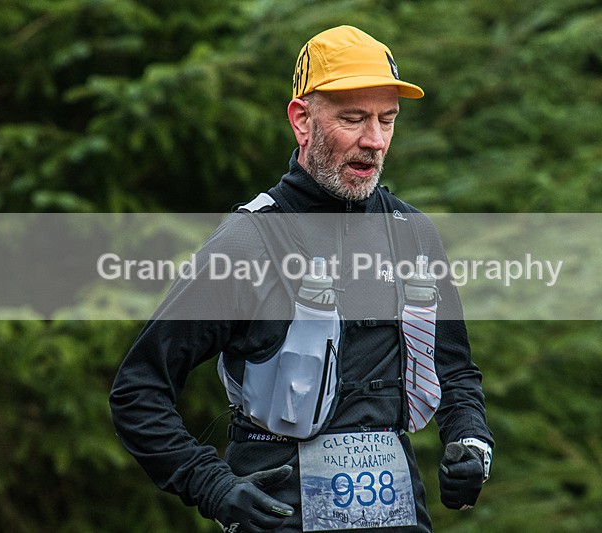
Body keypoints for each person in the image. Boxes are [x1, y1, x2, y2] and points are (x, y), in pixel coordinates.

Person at [110, 25, 493, 532]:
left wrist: (470, 441)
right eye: (353, 119)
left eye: (387, 120)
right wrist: (212, 485)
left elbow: (456, 374)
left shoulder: (414, 235)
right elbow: (138, 389)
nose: (374, 141)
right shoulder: (247, 242)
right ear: (302, 120)